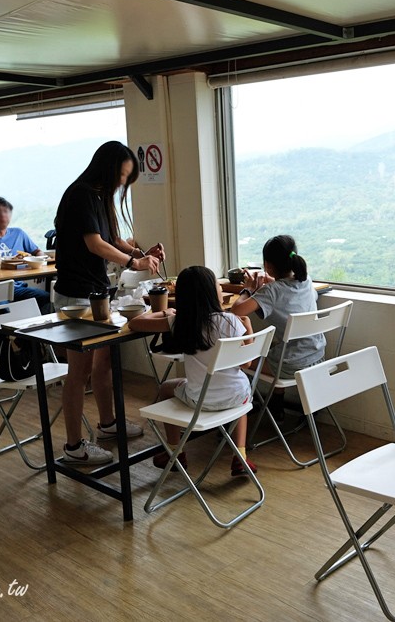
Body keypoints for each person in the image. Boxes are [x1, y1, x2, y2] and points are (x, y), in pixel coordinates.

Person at [53, 141, 163, 465]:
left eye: (126, 179)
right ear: (108, 167)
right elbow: (95, 244)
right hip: (75, 295)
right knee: (79, 371)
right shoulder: (82, 193)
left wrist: (143, 255)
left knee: (105, 362)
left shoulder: (100, 196)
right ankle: (74, 447)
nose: (121, 184)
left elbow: (115, 240)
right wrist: (134, 265)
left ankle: (108, 425)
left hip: (97, 291)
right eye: (122, 176)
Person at [130, 266, 258, 477]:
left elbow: (136, 323)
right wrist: (249, 328)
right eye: (218, 284)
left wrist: (166, 312)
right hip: (239, 398)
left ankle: (175, 451)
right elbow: (247, 363)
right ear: (212, 292)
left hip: (200, 400)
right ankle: (241, 456)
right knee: (239, 387)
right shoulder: (232, 321)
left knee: (165, 388)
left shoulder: (180, 323)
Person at [231, 235, 324, 420]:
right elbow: (301, 295)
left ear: (268, 266)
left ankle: (238, 411)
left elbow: (237, 310)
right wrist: (271, 285)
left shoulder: (271, 292)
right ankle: (276, 406)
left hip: (291, 364)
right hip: (316, 355)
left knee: (239, 359)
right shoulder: (306, 281)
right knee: (275, 347)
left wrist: (248, 289)